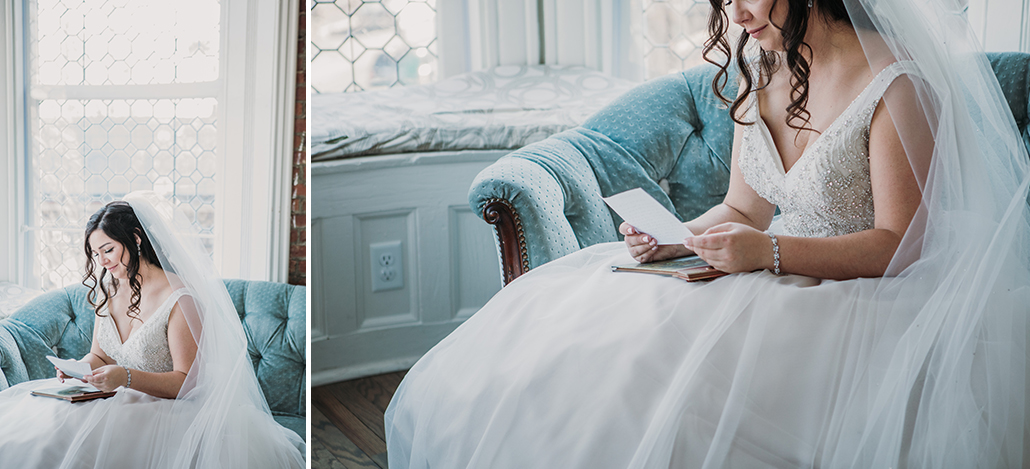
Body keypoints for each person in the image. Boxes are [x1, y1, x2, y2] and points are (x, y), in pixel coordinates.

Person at [385, 0, 1030, 467]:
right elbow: (743, 210)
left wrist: (768, 253)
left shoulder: (898, 84)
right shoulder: (760, 64)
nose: (736, 14)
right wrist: (677, 237)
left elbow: (900, 243)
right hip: (762, 264)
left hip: (869, 295)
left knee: (674, 384)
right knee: (585, 343)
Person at [0, 193, 305, 468]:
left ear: (134, 239)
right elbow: (100, 354)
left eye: (108, 249)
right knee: (39, 427)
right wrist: (80, 369)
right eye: (95, 254)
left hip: (171, 411)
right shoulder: (108, 287)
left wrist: (126, 377)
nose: (102, 262)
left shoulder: (180, 298)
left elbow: (188, 382)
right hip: (117, 399)